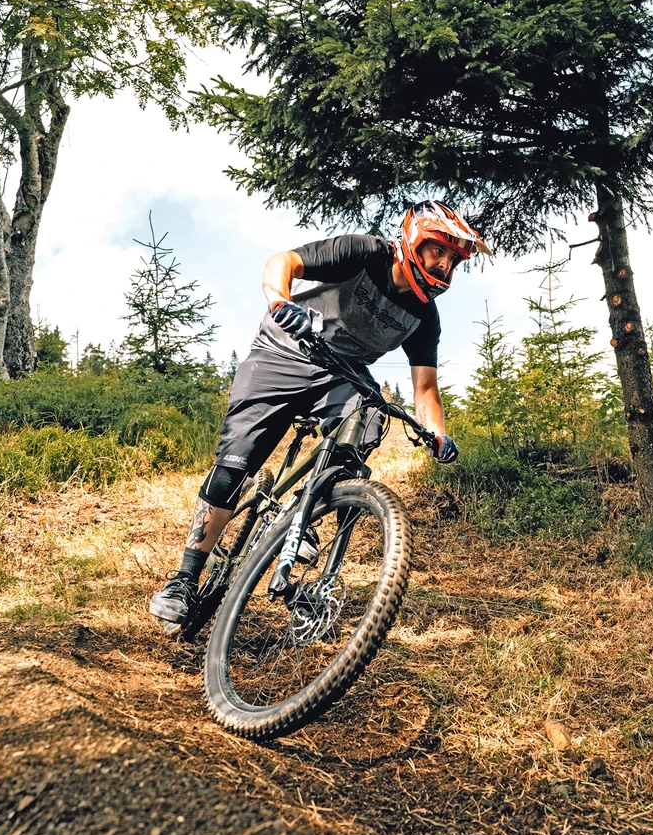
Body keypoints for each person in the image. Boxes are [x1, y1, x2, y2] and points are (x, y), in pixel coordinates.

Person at [149, 201, 489, 632]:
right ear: (414, 241)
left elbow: (424, 387)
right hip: (281, 351)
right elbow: (284, 261)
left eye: (453, 259)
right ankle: (183, 580)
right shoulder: (365, 252)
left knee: (368, 418)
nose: (444, 265)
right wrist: (279, 301)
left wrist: (437, 434)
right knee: (234, 466)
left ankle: (302, 516)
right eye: (438, 251)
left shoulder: (424, 316)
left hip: (340, 372)